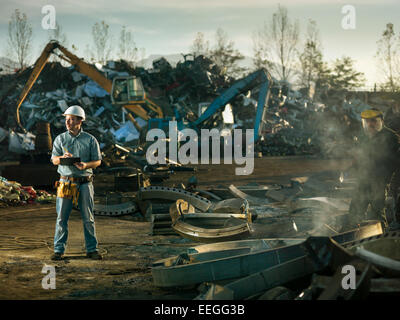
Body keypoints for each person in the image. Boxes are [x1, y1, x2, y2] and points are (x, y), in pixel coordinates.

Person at [50, 105, 102, 260]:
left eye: (72, 119)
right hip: (66, 182)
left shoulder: (90, 140)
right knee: (61, 218)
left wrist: (86, 165)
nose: (68, 122)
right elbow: (54, 160)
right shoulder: (60, 139)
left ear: (80, 121)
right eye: (67, 119)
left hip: (85, 182)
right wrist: (62, 159)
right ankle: (59, 250)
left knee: (88, 218)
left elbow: (98, 161)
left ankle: (92, 249)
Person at [347, 108, 400, 230]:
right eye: (367, 122)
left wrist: (391, 185)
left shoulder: (391, 137)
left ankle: (380, 240)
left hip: (380, 182)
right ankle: (354, 236)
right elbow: (360, 157)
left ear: (381, 121)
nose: (370, 124)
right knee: (355, 210)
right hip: (363, 180)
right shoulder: (363, 136)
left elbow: (394, 163)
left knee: (377, 213)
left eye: (374, 121)